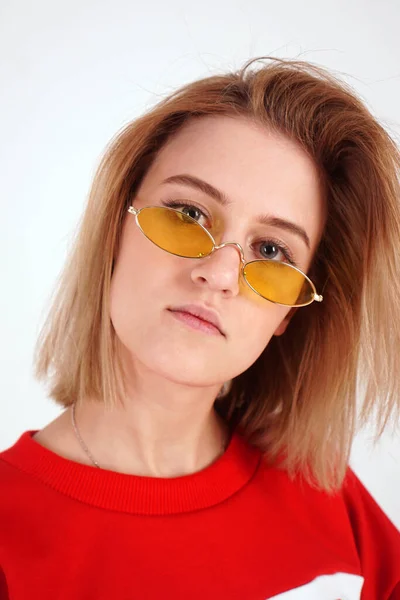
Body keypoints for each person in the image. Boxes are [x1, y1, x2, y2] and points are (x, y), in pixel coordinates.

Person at [1, 56, 399, 600]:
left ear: (289, 312)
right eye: (189, 214)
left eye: (272, 250)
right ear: (117, 224)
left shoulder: (329, 504)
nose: (218, 275)